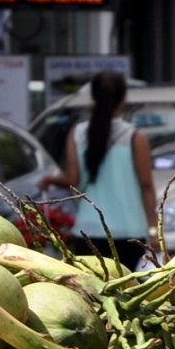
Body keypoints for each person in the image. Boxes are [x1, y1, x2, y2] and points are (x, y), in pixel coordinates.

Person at [36, 70, 157, 267]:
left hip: (88, 232)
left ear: (92, 97)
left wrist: (51, 180)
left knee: (93, 294)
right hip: (129, 234)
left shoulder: (77, 134)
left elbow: (72, 180)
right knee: (127, 292)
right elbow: (147, 187)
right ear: (124, 98)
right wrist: (153, 231)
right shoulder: (136, 138)